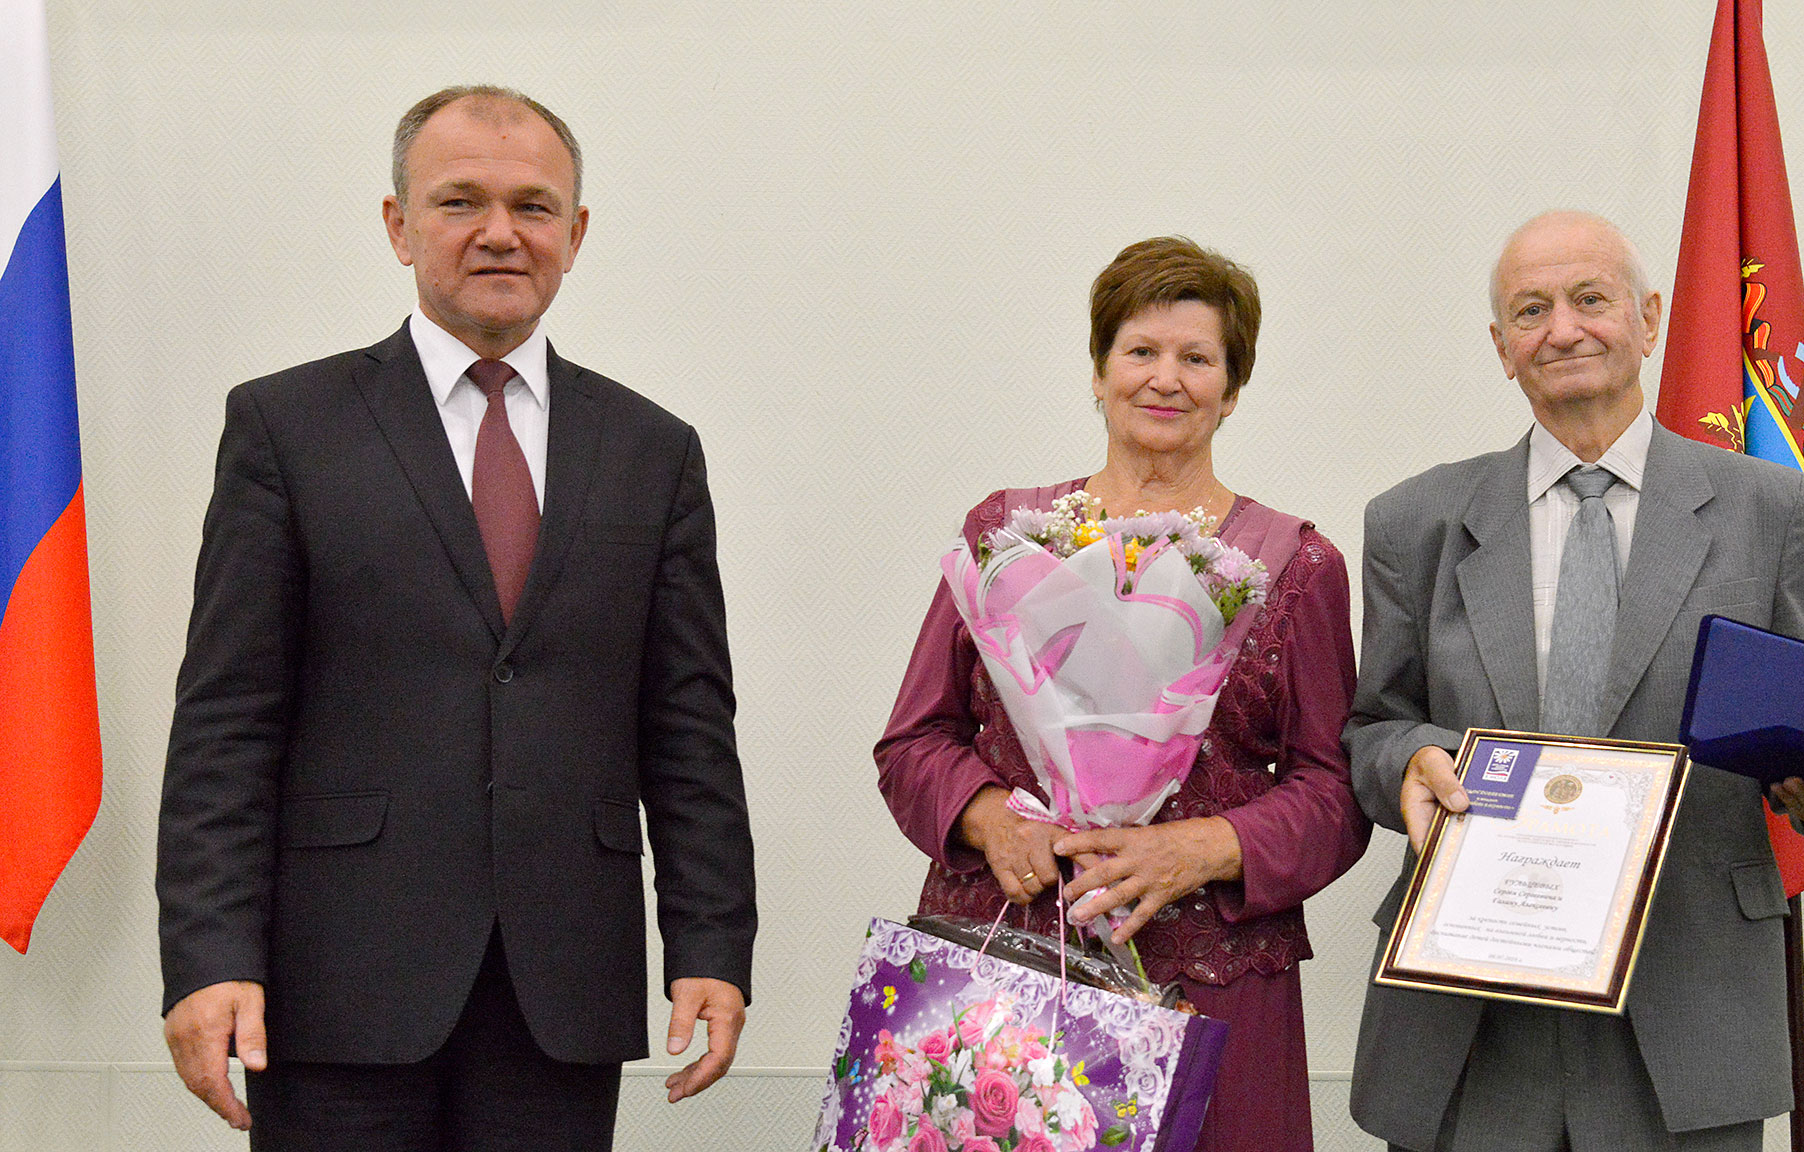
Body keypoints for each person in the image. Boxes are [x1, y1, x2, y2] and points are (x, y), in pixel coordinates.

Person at [156, 85, 756, 1151]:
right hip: (337, 985)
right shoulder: (286, 428)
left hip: (561, 988)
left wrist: (711, 942)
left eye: (533, 206)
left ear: (576, 234)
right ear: (399, 225)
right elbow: (227, 723)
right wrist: (208, 958)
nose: (499, 232)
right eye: (459, 201)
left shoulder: (653, 451)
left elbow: (688, 725)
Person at [1344, 210, 1804, 1152]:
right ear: (1502, 348)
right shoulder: (1415, 520)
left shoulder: (1766, 506)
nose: (1562, 329)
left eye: (1590, 299)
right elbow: (1375, 727)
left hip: (1689, 1013)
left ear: (1648, 320)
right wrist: (1410, 764)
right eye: (1531, 310)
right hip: (1472, 1010)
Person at [876, 236, 1372, 1152]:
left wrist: (1201, 847)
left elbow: (1336, 795)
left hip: (1217, 989)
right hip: (1004, 974)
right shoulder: (1005, 536)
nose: (1166, 378)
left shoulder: (1299, 566)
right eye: (1141, 351)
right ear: (1099, 372)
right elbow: (913, 743)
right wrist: (991, 820)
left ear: (1232, 387)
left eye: (1198, 358)